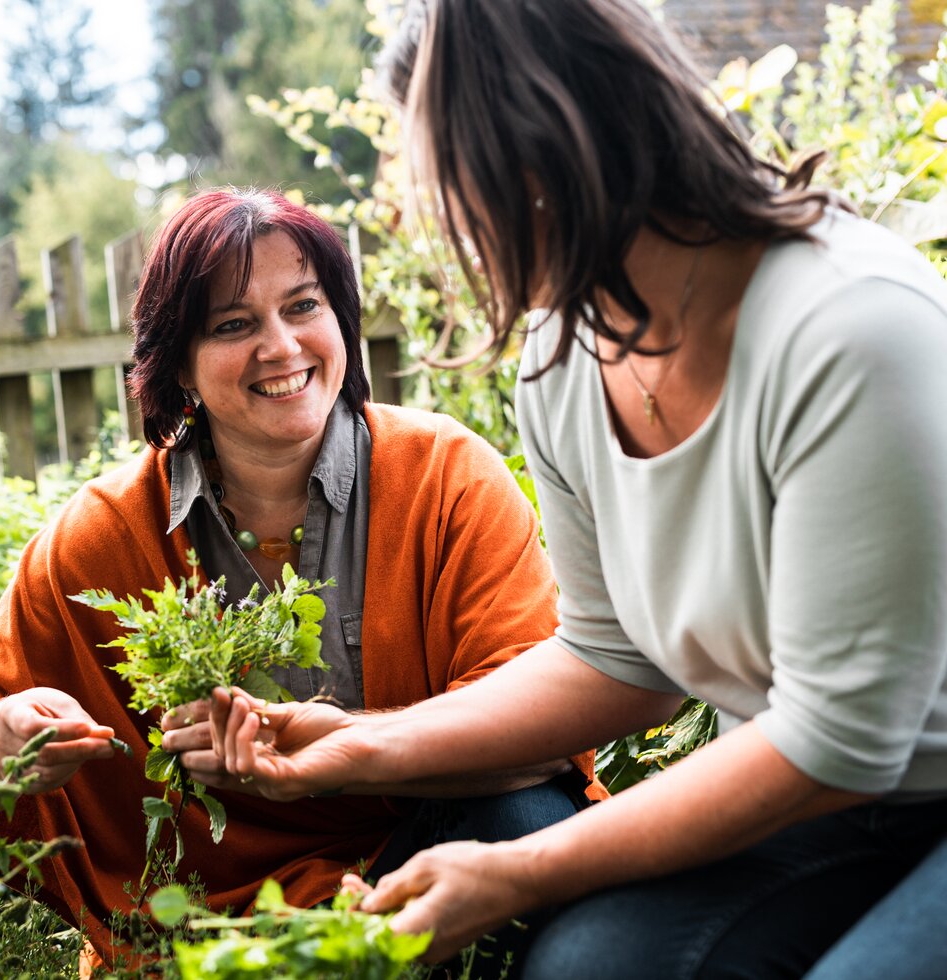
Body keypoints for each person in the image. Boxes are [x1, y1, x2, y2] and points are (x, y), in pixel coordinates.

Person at [208, 1, 947, 976]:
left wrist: (525, 867)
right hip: (827, 805)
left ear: (536, 145)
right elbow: (615, 661)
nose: (410, 208)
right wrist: (360, 745)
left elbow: (833, 738)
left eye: (431, 168)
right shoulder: (566, 358)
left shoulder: (850, 330)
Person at [0, 188, 602, 971]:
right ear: (180, 366)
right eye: (233, 325)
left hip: (433, 866)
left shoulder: (447, 478)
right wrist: (2, 737)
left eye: (304, 305)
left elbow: (540, 731)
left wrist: (353, 751)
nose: (281, 346)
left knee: (532, 818)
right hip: (218, 919)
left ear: (341, 321)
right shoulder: (103, 534)